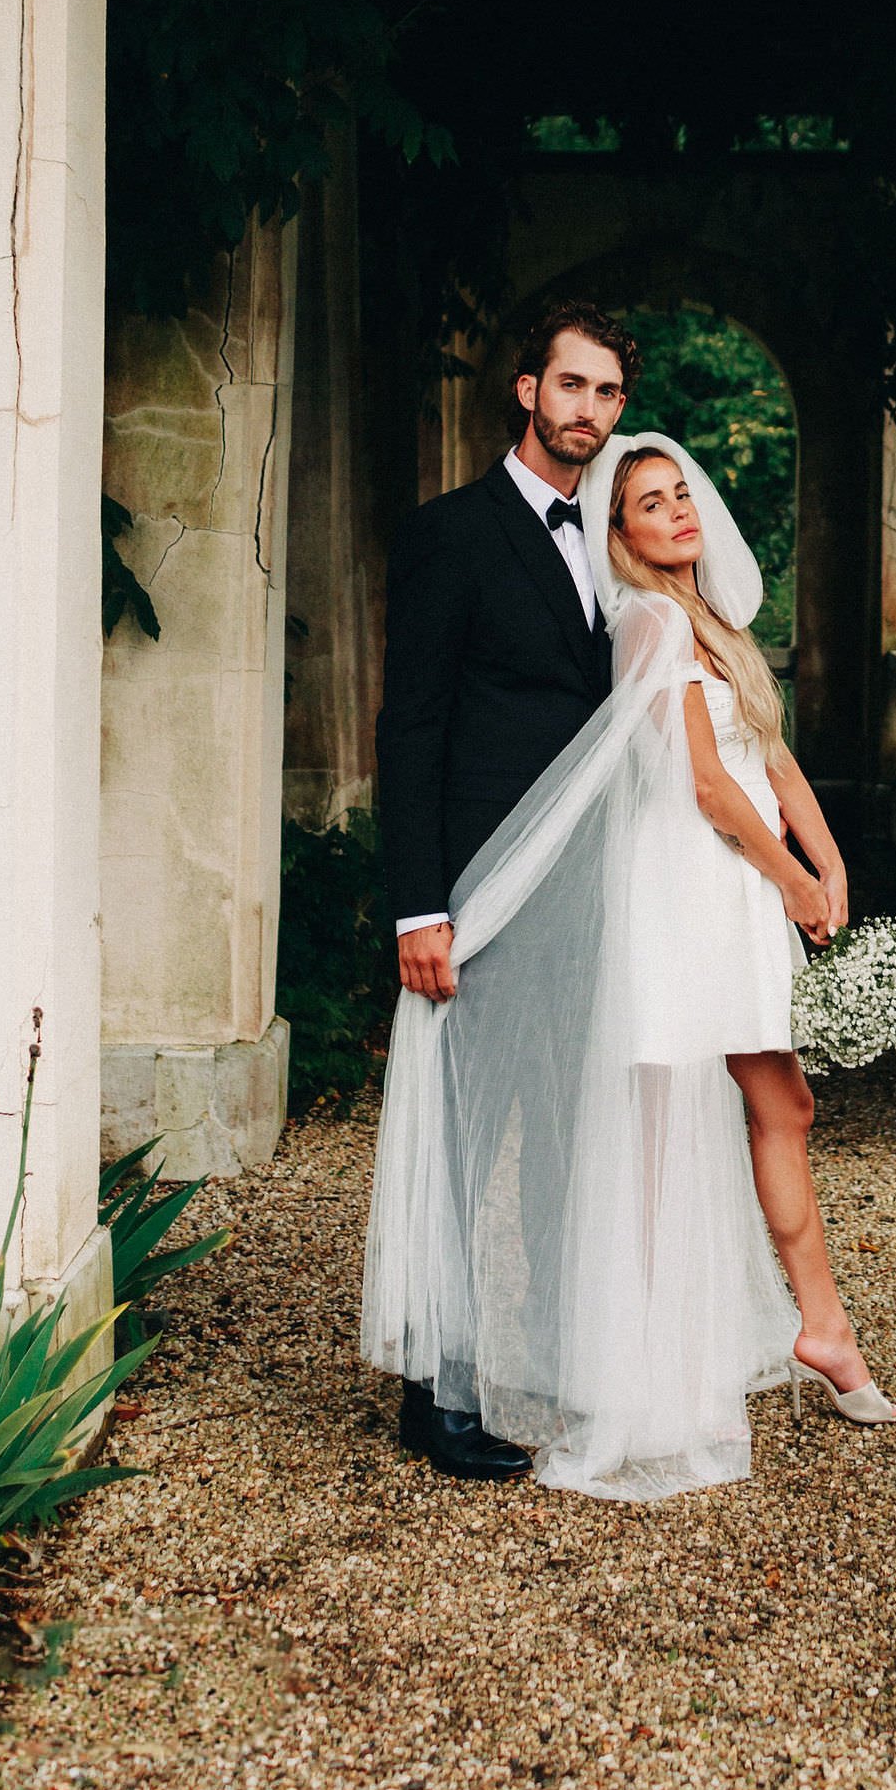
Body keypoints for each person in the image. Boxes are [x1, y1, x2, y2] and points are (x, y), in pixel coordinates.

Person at [362, 430, 896, 1501]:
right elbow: (703, 785)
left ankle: (823, 1329)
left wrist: (825, 854)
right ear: (620, 533)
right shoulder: (647, 624)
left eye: (678, 494)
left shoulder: (717, 624)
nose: (674, 512)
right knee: (663, 1132)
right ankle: (645, 1367)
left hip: (738, 885)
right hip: (685, 889)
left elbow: (770, 752)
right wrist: (788, 881)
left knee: (782, 1104)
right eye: (648, 503)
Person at [373, 301, 636, 1480]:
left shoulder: (615, 544)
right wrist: (417, 907)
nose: (588, 410)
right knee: (464, 1146)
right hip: (477, 897)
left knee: (562, 1137)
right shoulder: (450, 533)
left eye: (608, 394)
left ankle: (543, 1358)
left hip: (584, 898)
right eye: (570, 387)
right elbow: (412, 724)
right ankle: (444, 1391)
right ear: (525, 391)